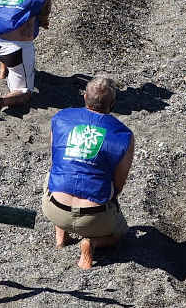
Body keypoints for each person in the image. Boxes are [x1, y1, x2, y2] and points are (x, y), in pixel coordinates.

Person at [43, 75, 134, 270]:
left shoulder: (61, 117)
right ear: (113, 104)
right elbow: (118, 185)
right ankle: (91, 243)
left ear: (85, 97)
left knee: (57, 170)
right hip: (94, 217)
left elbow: (55, 159)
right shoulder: (123, 135)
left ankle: (61, 233)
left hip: (55, 208)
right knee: (120, 233)